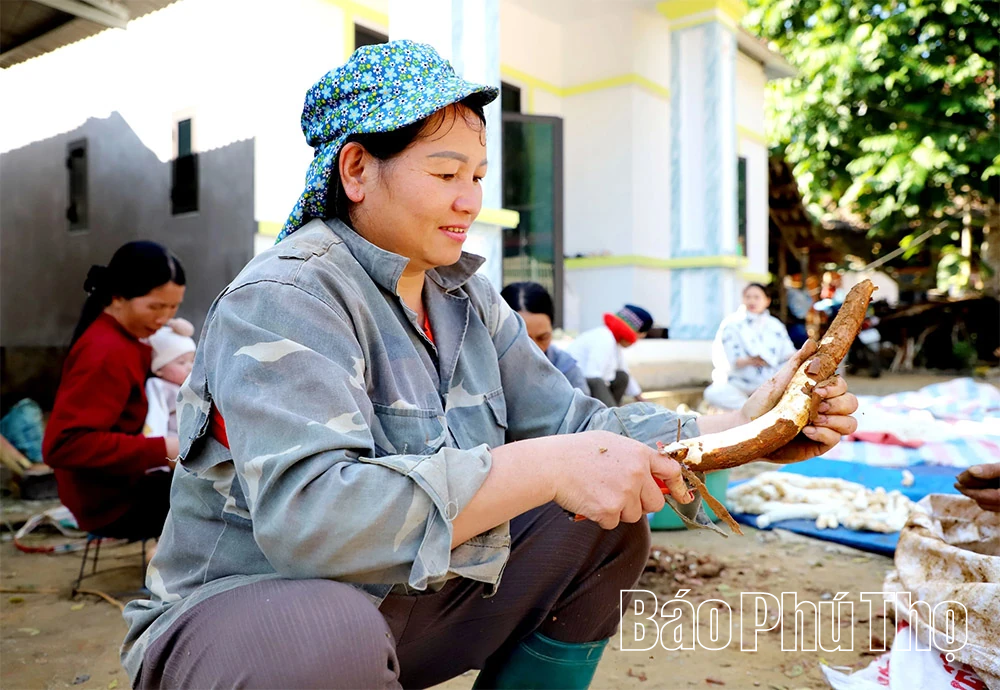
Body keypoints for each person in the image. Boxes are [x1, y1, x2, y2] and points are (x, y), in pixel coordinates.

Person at [121, 41, 858, 690]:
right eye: (447, 173)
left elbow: (582, 426)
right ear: (355, 169)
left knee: (599, 528)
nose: (470, 199)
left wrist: (749, 422)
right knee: (324, 637)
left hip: (397, 603)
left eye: (478, 175)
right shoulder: (286, 295)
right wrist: (550, 466)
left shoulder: (465, 296)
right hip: (247, 620)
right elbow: (314, 521)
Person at [42, 241, 185, 539]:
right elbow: (64, 445)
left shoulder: (130, 339)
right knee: (225, 498)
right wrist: (163, 448)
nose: (164, 319)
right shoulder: (105, 351)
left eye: (173, 308)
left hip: (123, 484)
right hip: (110, 503)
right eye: (155, 307)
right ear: (118, 296)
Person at [703, 283, 797, 411]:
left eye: (756, 297)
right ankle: (750, 412)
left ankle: (755, 411)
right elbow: (729, 359)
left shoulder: (775, 325)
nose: (752, 301)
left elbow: (788, 353)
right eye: (748, 297)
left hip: (769, 384)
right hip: (738, 384)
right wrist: (749, 361)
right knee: (713, 393)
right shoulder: (731, 324)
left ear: (767, 301)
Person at [500, 281, 590, 395]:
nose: (534, 348)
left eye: (543, 338)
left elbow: (583, 410)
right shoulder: (485, 368)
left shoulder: (564, 367)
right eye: (523, 340)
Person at [564, 304, 653, 407]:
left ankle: (612, 413)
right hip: (576, 387)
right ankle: (611, 417)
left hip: (590, 384)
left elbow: (624, 371)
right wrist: (611, 409)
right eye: (638, 338)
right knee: (598, 383)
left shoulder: (613, 342)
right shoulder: (604, 338)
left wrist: (640, 399)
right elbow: (593, 376)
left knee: (622, 376)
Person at [143, 318, 197, 437]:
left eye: (192, 361)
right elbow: (156, 416)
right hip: (172, 442)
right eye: (181, 362)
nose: (190, 367)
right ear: (159, 369)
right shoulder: (158, 387)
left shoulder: (192, 385)